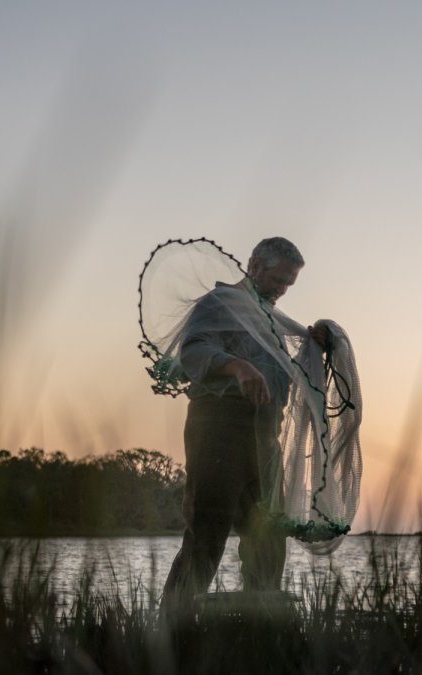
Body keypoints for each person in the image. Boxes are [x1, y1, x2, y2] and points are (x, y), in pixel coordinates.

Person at [161, 237, 328, 615]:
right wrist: (237, 366)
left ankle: (261, 625)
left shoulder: (267, 320)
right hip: (218, 428)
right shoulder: (219, 304)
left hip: (264, 436)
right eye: (277, 279)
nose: (281, 290)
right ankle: (169, 629)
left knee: (268, 533)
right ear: (254, 265)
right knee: (208, 532)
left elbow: (284, 374)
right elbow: (194, 350)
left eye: (289, 284)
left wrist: (312, 346)